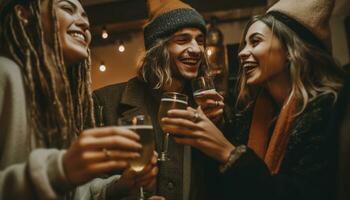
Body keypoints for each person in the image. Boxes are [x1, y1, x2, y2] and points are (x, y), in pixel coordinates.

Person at [161, 0, 345, 199]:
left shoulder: (329, 111)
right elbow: (221, 189)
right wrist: (216, 128)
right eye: (244, 44)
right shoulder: (248, 115)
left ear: (291, 51)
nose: (241, 53)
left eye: (255, 41)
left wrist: (229, 154)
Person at [0, 0, 158, 199]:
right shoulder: (4, 73)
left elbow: (73, 193)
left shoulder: (59, 100)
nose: (84, 23)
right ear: (24, 15)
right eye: (67, 8)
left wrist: (119, 186)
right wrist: (59, 170)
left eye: (85, 16)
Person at [92, 0, 224, 199]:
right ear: (158, 47)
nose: (196, 49)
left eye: (200, 40)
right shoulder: (104, 102)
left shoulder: (210, 107)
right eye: (183, 40)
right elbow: (87, 185)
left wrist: (221, 125)